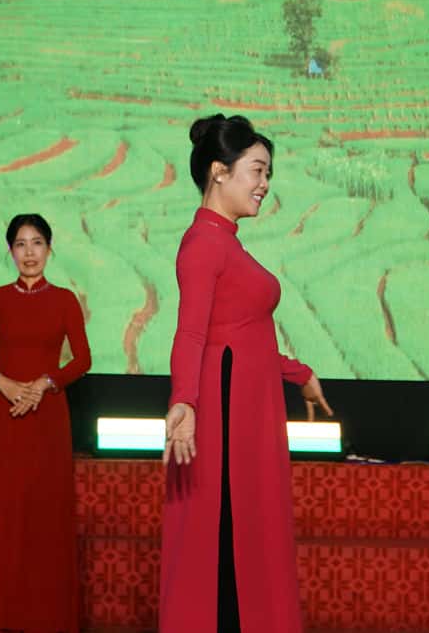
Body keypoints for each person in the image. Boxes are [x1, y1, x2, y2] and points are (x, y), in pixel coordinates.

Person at [160, 114, 333, 633]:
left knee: (245, 533)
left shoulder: (225, 242)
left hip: (245, 409)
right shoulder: (204, 244)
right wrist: (185, 403)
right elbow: (191, 333)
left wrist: (298, 373)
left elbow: (240, 333)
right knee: (226, 539)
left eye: (267, 174)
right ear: (219, 172)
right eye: (256, 171)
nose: (264, 185)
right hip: (223, 417)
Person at [0, 213, 91, 633]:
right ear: (10, 251)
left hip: (47, 416)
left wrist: (45, 384)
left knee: (44, 513)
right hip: (3, 415)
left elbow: (83, 360)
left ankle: (44, 616)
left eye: (37, 244)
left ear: (49, 249)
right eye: (20, 245)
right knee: (1, 512)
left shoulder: (65, 299)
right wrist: (4, 383)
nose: (29, 253)